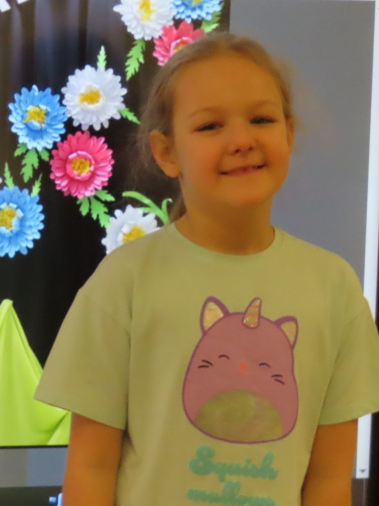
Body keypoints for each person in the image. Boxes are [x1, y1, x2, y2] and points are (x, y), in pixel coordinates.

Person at [35, 32, 379, 505]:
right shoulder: (124, 282)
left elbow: (328, 480)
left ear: (288, 133)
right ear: (166, 152)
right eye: (210, 126)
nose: (241, 141)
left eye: (261, 119)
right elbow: (90, 469)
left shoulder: (334, 288)